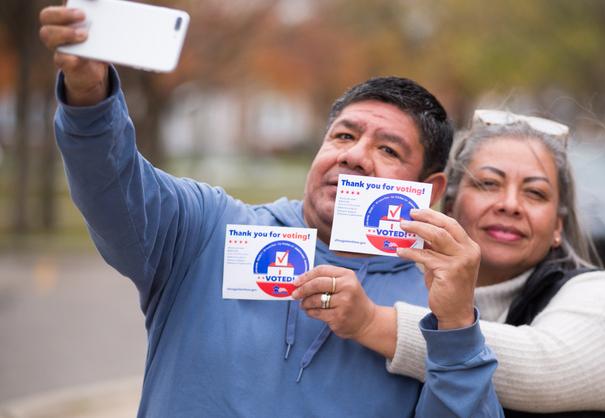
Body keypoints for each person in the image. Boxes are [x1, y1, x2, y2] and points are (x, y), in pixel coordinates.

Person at [39, 5, 502, 417]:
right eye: (343, 136)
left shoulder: (439, 296)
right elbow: (112, 184)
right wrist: (89, 95)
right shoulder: (208, 228)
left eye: (388, 149)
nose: (355, 155)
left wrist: (456, 329)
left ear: (430, 188)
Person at [295, 110, 605, 415]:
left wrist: (370, 322)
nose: (510, 205)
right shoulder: (405, 283)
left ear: (558, 225)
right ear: (448, 205)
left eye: (535, 193)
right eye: (487, 184)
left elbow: (546, 367)